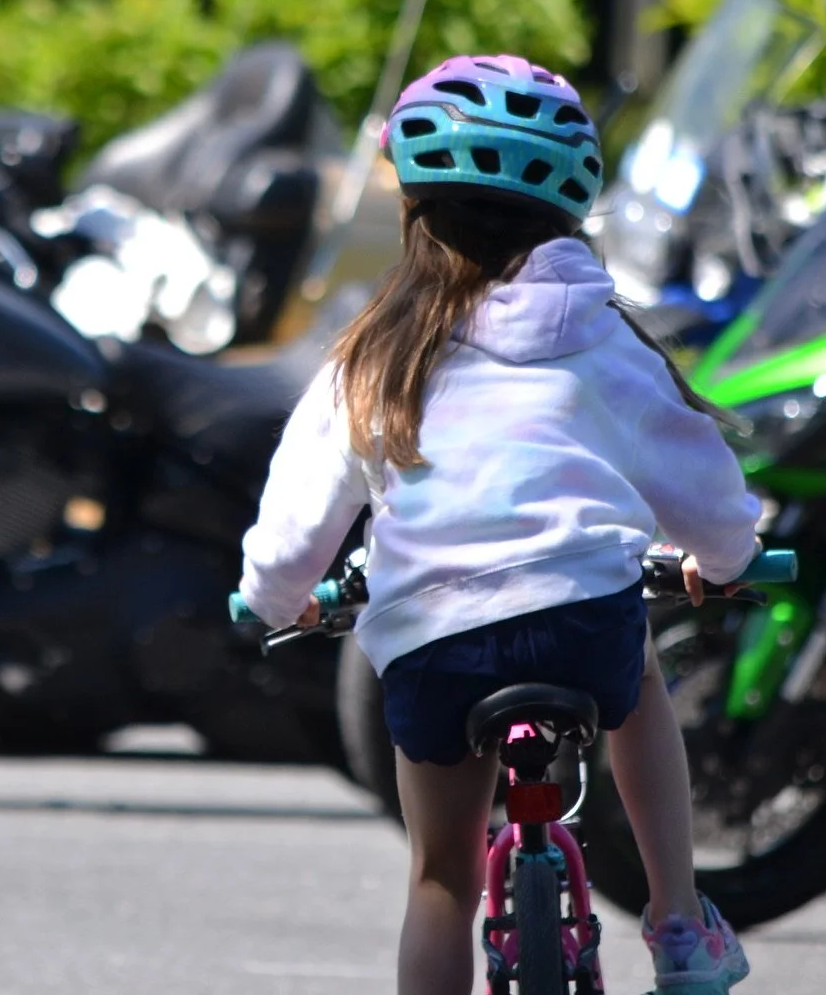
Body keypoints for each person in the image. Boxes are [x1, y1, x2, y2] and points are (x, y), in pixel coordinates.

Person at [238, 54, 761, 995]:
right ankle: (679, 917)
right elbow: (700, 478)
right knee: (634, 675)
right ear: (568, 211)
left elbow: (295, 525)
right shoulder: (602, 336)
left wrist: (274, 599)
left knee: (439, 876)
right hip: (581, 626)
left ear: (416, 207)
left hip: (434, 646)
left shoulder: (375, 355)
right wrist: (725, 560)